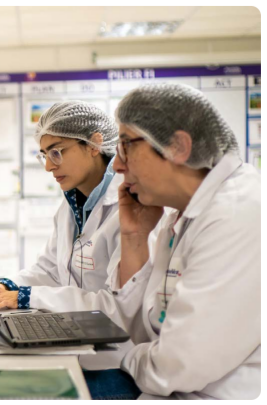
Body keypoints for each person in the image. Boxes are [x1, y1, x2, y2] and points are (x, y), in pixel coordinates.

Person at [90, 83, 260, 400]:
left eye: (126, 146)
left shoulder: (239, 212)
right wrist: (135, 237)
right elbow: (142, 328)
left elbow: (174, 367)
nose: (117, 164)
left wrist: (124, 360)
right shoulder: (180, 216)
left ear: (178, 146)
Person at [0, 101, 141, 330]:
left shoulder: (129, 207)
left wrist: (25, 297)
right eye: (44, 155)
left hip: (114, 353)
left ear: (94, 144)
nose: (49, 166)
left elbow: (117, 304)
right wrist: (5, 287)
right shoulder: (71, 204)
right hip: (76, 337)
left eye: (57, 152)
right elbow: (49, 270)